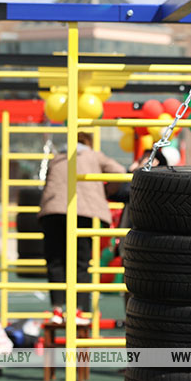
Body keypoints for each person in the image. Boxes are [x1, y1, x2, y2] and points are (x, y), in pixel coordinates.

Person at [38, 132, 126, 323]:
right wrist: (106, 189)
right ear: (89, 142)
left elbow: (48, 183)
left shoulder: (58, 156)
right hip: (82, 211)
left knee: (56, 261)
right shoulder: (94, 155)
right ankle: (79, 311)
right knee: (81, 262)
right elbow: (119, 171)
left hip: (53, 210)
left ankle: (57, 310)